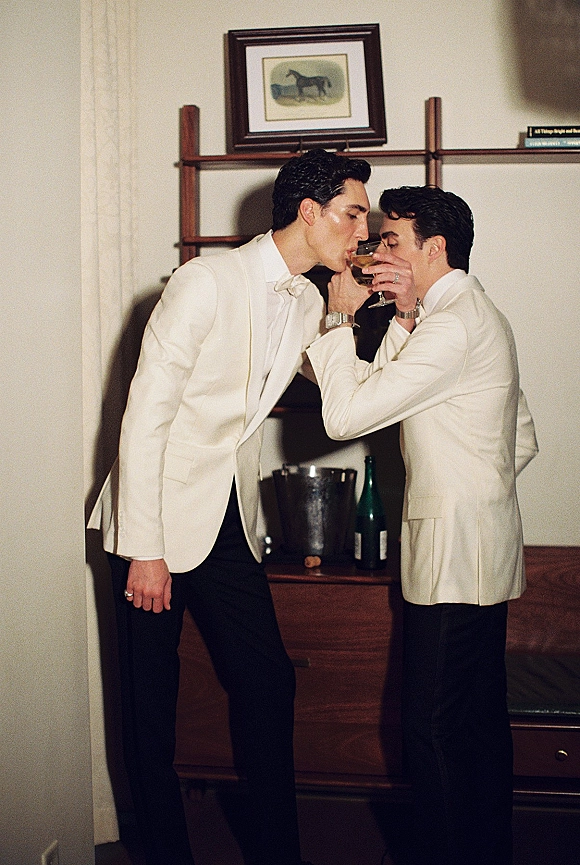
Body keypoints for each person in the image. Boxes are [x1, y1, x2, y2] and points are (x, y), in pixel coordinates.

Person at [88, 148, 372, 865]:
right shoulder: (204, 280)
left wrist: (346, 316)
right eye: (353, 213)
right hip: (150, 516)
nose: (360, 229)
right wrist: (143, 548)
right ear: (310, 213)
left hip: (225, 520)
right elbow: (143, 417)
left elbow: (346, 403)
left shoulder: (308, 298)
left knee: (268, 679)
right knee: (150, 710)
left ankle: (279, 851)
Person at [305, 186, 538, 865]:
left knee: (431, 730)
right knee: (476, 725)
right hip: (483, 549)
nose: (378, 252)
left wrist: (339, 322)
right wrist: (403, 315)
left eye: (391, 241)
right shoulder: (472, 312)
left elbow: (346, 416)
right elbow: (520, 437)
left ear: (434, 249)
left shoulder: (453, 324)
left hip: (451, 557)